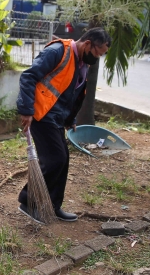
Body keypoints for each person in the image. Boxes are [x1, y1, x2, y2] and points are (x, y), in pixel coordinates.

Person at [17, 28, 111, 224]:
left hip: (57, 117)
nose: (97, 58)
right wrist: (26, 110)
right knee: (55, 159)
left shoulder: (82, 63)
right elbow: (28, 77)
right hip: (41, 114)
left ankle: (52, 205)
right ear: (87, 44)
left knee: (63, 159)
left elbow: (70, 92)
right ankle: (28, 202)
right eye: (97, 53)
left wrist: (70, 120)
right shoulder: (57, 52)